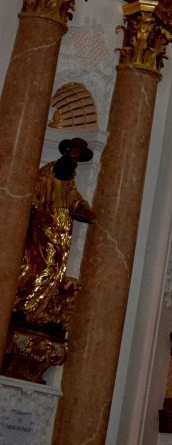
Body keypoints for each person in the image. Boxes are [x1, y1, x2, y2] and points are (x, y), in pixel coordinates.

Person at [14, 138, 94, 326]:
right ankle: (25, 306)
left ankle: (36, 308)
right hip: (44, 225)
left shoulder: (69, 180)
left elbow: (74, 200)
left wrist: (87, 212)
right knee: (43, 265)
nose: (75, 159)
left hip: (62, 228)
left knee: (55, 267)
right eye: (74, 153)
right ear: (67, 151)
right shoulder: (46, 174)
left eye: (78, 157)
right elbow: (31, 197)